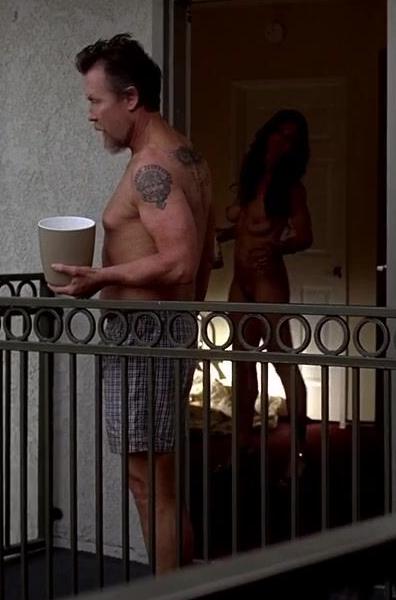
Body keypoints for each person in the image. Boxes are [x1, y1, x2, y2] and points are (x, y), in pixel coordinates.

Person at [50, 34, 214, 572]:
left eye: (96, 101)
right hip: (164, 331)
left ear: (131, 98)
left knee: (151, 486)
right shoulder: (188, 155)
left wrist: (100, 278)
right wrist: (185, 321)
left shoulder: (151, 167)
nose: (91, 115)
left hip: (146, 337)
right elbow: (207, 256)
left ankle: (171, 595)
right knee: (157, 482)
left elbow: (181, 261)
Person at [216, 109, 314, 483]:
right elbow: (246, 226)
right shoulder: (251, 178)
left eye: (292, 139)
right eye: (280, 133)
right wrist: (226, 234)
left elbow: (305, 236)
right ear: (268, 134)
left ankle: (298, 453)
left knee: (283, 363)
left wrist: (278, 247)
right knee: (242, 365)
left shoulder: (291, 189)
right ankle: (241, 443)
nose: (283, 142)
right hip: (239, 282)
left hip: (268, 282)